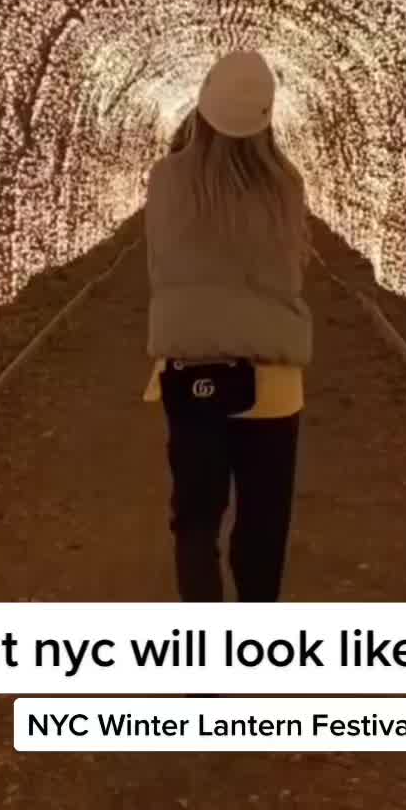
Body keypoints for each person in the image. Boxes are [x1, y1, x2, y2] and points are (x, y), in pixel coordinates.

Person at [144, 50, 312, 603]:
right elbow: (292, 272)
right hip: (272, 382)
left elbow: (161, 266)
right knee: (263, 525)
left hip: (194, 373)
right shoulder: (286, 186)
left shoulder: (167, 180)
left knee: (195, 521)